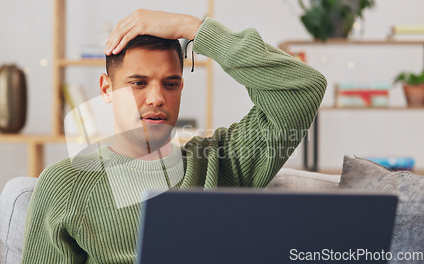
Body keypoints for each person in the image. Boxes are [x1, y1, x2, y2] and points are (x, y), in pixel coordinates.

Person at [22, 9, 327, 263]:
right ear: (106, 89)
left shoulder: (219, 161)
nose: (156, 98)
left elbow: (303, 87)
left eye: (170, 83)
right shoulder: (65, 184)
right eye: (138, 83)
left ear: (181, 88)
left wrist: (192, 28)